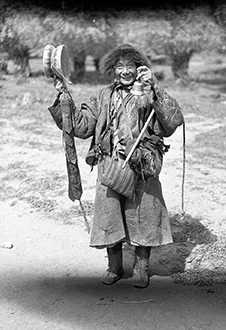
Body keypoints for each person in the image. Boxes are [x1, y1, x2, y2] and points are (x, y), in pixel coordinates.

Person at [48, 44, 184, 288]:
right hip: (110, 166)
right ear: (112, 69)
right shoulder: (102, 96)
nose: (125, 71)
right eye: (119, 66)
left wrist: (155, 88)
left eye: (130, 66)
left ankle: (142, 269)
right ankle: (114, 268)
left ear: (139, 68)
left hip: (143, 165)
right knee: (110, 216)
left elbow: (172, 123)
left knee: (144, 215)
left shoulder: (148, 93)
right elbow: (81, 126)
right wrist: (64, 97)